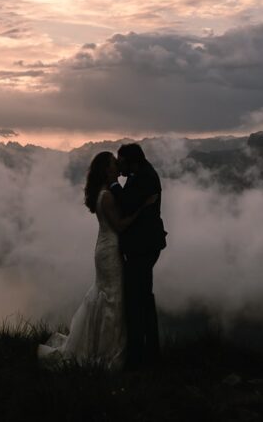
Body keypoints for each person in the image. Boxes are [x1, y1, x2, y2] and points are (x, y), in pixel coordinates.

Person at [37, 151, 158, 370]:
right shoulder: (108, 196)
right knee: (112, 298)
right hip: (110, 251)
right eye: (113, 164)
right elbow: (120, 226)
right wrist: (143, 207)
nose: (117, 167)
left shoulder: (101, 193)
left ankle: (98, 344)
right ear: (106, 170)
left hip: (104, 247)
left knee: (106, 295)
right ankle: (106, 350)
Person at [112, 143, 167, 370]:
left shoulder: (143, 177)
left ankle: (140, 354)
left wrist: (113, 183)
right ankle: (147, 350)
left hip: (142, 247)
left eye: (120, 161)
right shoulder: (141, 173)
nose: (118, 165)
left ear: (130, 160)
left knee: (137, 299)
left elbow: (125, 204)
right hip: (144, 245)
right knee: (142, 296)